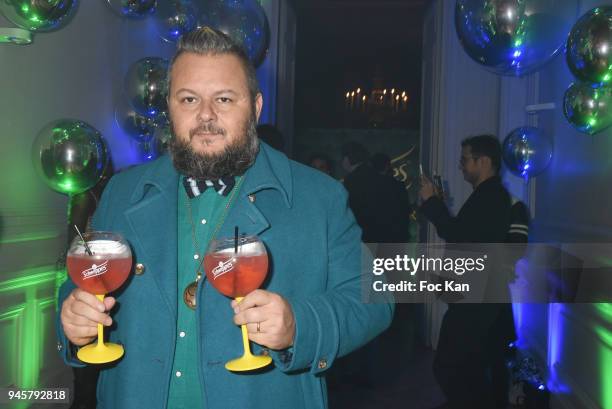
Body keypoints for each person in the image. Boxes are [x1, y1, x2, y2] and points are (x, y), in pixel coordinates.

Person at [56, 27, 393, 409]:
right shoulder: (122, 191)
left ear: (256, 106)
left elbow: (376, 298)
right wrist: (72, 316)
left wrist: (301, 324)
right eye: (188, 99)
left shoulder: (322, 197)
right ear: (169, 106)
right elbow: (84, 283)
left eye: (224, 99)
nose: (205, 115)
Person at [419, 135, 514, 409]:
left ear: (483, 161)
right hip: (477, 297)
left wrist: (432, 203)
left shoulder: (491, 196)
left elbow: (457, 234)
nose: (460, 166)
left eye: (464, 160)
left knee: (449, 367)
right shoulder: (489, 195)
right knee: (465, 368)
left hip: (477, 300)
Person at [342, 143, 411, 243]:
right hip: (393, 240)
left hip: (368, 240)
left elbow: (351, 215)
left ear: (347, 159)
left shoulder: (353, 180)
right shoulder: (391, 182)